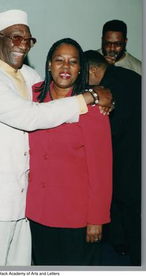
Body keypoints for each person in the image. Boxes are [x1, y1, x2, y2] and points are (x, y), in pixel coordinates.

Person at [0, 10, 112, 266]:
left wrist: (96, 93)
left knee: (20, 266)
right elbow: (33, 116)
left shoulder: (29, 77)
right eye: (15, 38)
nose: (22, 45)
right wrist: (90, 97)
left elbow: (58, 93)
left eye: (27, 40)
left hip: (22, 203)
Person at [25, 38, 113, 266]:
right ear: (48, 65)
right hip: (38, 211)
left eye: (73, 62)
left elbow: (101, 170)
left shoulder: (93, 107)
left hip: (76, 217)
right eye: (59, 60)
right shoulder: (32, 98)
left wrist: (97, 218)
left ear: (80, 68)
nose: (65, 67)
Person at [84, 50, 141, 266]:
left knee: (135, 225)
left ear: (93, 70)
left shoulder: (108, 88)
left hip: (130, 166)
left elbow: (108, 132)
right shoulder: (132, 76)